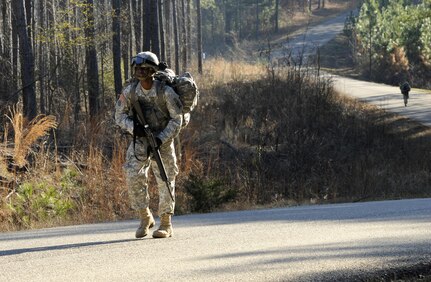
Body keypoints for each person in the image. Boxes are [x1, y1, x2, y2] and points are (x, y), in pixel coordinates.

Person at [115, 51, 183, 238]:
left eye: (144, 68)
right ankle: (145, 217)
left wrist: (162, 138)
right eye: (137, 68)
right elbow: (119, 116)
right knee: (132, 174)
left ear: (152, 70)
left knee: (166, 178)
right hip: (141, 140)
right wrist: (133, 128)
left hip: (163, 139)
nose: (140, 72)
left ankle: (166, 223)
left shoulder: (165, 92)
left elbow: (177, 119)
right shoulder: (131, 91)